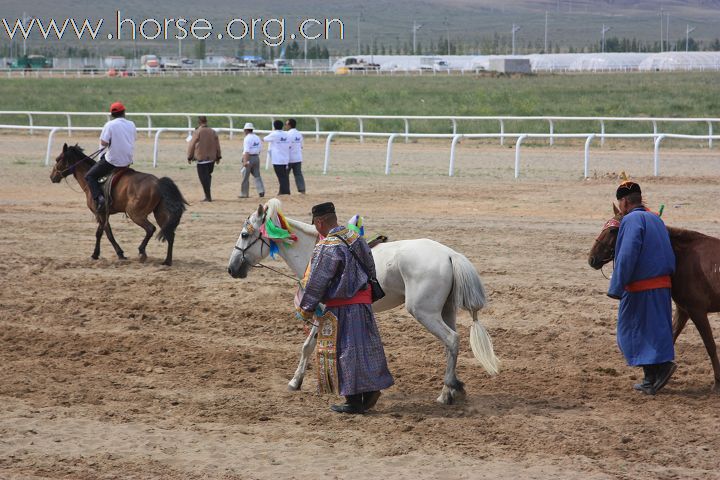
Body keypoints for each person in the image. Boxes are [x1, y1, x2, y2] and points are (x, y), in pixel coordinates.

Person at [296, 202, 394, 414]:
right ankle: (369, 391)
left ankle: (353, 401)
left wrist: (306, 307)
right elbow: (370, 266)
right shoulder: (355, 238)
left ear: (320, 222)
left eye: (316, 224)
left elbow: (318, 280)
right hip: (363, 302)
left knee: (344, 352)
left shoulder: (327, 246)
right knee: (366, 349)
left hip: (342, 307)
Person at [607, 181, 677, 395]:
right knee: (656, 331)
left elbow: (627, 255)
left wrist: (617, 286)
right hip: (662, 285)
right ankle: (654, 375)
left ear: (625, 202)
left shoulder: (631, 220)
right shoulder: (655, 219)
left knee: (633, 332)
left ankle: (656, 372)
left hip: (640, 288)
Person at [85, 101, 136, 212]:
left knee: (89, 176)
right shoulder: (131, 124)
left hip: (113, 161)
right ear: (124, 112)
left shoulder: (110, 125)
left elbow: (103, 143)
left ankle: (99, 199)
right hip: (128, 161)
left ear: (112, 115)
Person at [187, 116, 221, 202]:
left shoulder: (197, 132)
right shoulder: (213, 131)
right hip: (212, 159)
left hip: (201, 159)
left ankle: (208, 196)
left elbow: (192, 145)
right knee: (208, 176)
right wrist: (218, 156)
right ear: (206, 121)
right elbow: (217, 144)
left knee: (203, 178)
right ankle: (208, 195)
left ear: (199, 122)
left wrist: (189, 156)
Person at [263, 120, 291, 195]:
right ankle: (283, 191)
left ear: (274, 126)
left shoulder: (274, 134)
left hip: (277, 159)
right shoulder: (286, 134)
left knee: (281, 176)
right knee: (284, 176)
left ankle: (285, 192)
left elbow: (264, 139)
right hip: (285, 158)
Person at [239, 122, 265, 199]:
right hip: (256, 157)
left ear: (246, 130)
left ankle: (244, 193)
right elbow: (260, 149)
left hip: (249, 157)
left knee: (245, 177)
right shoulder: (257, 137)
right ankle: (261, 191)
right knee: (257, 175)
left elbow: (246, 151)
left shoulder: (247, 138)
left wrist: (245, 161)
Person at [286, 118, 305, 193]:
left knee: (285, 175)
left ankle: (286, 190)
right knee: (298, 174)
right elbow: (301, 146)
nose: (285, 126)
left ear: (289, 125)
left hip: (289, 158)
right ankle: (302, 189)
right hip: (298, 158)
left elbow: (287, 146)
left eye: (286, 124)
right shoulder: (299, 134)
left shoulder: (287, 134)